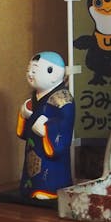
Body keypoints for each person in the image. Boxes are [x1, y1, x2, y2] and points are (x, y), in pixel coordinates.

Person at [17, 51, 75, 202]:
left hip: (48, 149)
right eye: (28, 70)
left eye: (35, 71)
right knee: (31, 166)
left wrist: (47, 128)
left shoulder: (63, 99)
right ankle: (30, 187)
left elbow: (65, 123)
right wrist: (24, 115)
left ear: (53, 74)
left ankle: (49, 189)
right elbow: (25, 129)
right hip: (34, 144)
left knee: (48, 171)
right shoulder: (35, 96)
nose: (30, 74)